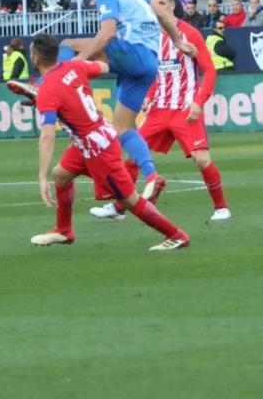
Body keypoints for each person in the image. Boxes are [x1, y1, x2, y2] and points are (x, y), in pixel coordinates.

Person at [43, 0, 193, 201]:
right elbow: (160, 11)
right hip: (149, 63)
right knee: (123, 128)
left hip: (133, 53)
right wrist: (177, 41)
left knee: (69, 44)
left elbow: (107, 35)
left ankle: (52, 86)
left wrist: (75, 65)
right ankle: (152, 175)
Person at [25, 33, 190, 251]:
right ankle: (63, 230)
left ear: (35, 58)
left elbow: (47, 135)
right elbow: (103, 67)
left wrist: (40, 176)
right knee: (61, 175)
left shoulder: (47, 89)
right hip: (92, 139)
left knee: (129, 199)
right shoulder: (74, 67)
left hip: (97, 149)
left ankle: (177, 235)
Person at [91, 0, 230, 222]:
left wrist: (198, 102)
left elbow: (209, 70)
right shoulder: (151, 36)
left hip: (185, 110)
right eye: (153, 4)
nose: (157, 9)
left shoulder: (189, 34)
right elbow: (155, 71)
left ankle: (221, 207)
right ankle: (119, 207)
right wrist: (148, 94)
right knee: (133, 154)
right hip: (159, 110)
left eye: (162, 4)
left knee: (202, 159)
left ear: (172, 6)